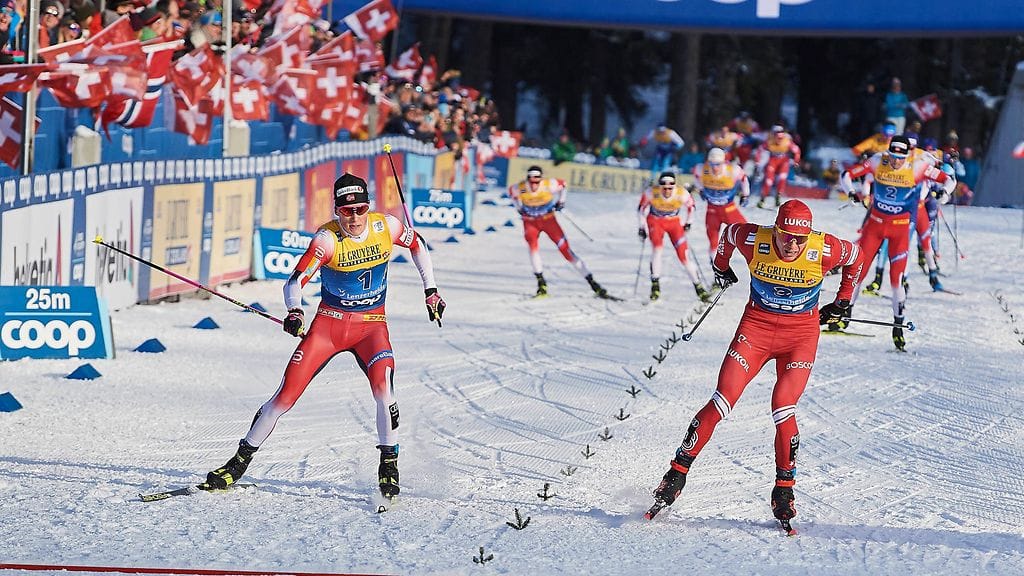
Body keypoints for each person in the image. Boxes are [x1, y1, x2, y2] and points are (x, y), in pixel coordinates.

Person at [203, 173, 446, 501]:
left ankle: (388, 467)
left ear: (368, 207)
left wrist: (430, 290)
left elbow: (418, 244)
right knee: (283, 399)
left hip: (371, 327)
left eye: (360, 209)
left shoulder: (385, 226)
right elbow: (294, 282)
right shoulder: (326, 240)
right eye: (347, 212)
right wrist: (295, 312)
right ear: (336, 211)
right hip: (328, 328)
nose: (355, 218)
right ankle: (237, 463)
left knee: (384, 391)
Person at [650, 200, 863, 529]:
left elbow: (857, 257)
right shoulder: (754, 239)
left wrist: (843, 301)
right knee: (722, 400)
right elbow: (728, 233)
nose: (793, 244)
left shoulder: (824, 249)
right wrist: (722, 267)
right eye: (787, 236)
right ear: (775, 230)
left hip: (800, 338)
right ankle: (676, 474)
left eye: (800, 238)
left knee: (783, 408)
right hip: (756, 331)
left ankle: (783, 491)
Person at [840, 135, 954, 350]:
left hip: (900, 229)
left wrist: (943, 194)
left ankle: (898, 325)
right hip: (874, 225)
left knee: (897, 279)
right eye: (892, 157)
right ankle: (846, 313)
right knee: (857, 271)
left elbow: (949, 179)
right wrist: (852, 193)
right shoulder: (877, 161)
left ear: (907, 155)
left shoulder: (918, 166)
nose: (895, 162)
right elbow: (846, 174)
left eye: (899, 158)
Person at [507, 165, 610, 299]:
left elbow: (564, 184)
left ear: (541, 179)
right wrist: (519, 208)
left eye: (537, 181)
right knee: (533, 248)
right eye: (531, 181)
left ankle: (593, 283)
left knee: (566, 251)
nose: (534, 184)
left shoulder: (548, 184)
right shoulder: (520, 187)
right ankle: (541, 284)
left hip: (549, 221)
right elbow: (511, 193)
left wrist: (561, 202)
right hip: (530, 222)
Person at [637, 171, 713, 303]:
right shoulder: (651, 192)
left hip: (674, 223)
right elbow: (641, 209)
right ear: (659, 186)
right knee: (657, 250)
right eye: (664, 188)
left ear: (674, 186)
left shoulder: (681, 193)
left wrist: (688, 223)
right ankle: (655, 285)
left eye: (670, 188)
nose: (667, 191)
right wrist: (642, 227)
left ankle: (698, 286)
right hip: (655, 221)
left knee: (684, 255)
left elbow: (691, 207)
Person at [692, 147, 750, 264]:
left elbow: (744, 179)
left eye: (718, 164)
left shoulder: (732, 170)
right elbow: (696, 177)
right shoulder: (701, 169)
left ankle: (752, 259)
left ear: (723, 162)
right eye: (712, 164)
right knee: (713, 240)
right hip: (712, 211)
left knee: (746, 232)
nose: (715, 168)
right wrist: (701, 189)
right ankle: (715, 266)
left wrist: (745, 195)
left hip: (729, 209)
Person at [755, 124, 801, 208]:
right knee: (768, 181)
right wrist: (758, 162)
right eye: (777, 136)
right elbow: (759, 150)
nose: (779, 140)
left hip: (783, 161)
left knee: (782, 178)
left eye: (781, 137)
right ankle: (762, 199)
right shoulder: (769, 141)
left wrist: (796, 161)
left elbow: (797, 150)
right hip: (773, 161)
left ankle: (778, 197)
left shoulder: (787, 141)